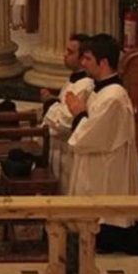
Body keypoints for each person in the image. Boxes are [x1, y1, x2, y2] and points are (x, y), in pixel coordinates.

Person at [64, 34, 138, 248]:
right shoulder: (101, 90)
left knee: (102, 216)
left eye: (88, 59)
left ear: (104, 62)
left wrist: (78, 112)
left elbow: (90, 135)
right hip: (96, 162)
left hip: (106, 167)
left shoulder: (114, 96)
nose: (83, 63)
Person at [40, 32, 95, 192]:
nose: (65, 55)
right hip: (57, 150)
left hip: (67, 154)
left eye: (70, 52)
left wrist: (50, 103)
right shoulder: (73, 80)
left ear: (82, 57)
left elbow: (65, 121)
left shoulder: (86, 85)